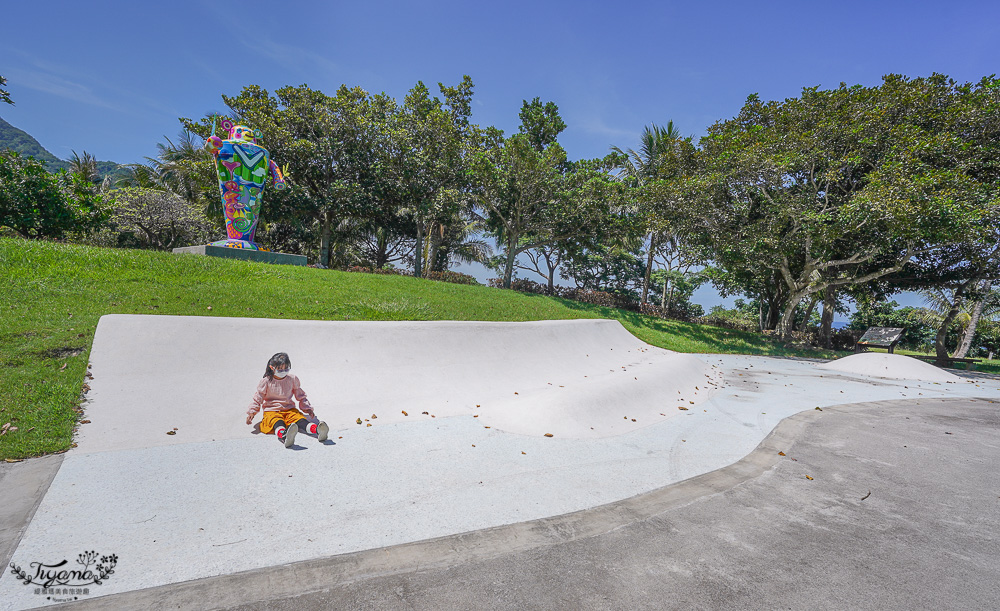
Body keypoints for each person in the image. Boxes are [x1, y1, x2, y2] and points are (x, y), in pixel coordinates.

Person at [246, 352, 329, 448]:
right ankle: (284, 436)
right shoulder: (266, 381)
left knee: (300, 420)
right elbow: (258, 398)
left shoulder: (292, 379)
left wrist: (307, 408)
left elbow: (301, 395)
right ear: (272, 367)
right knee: (277, 422)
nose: (283, 371)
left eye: (286, 368)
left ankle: (317, 430)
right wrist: (252, 412)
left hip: (289, 409)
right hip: (272, 411)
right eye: (280, 369)